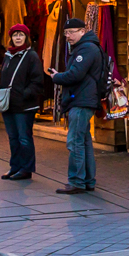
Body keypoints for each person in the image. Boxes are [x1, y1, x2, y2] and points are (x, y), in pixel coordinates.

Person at [49, 17, 105, 194]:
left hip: (82, 101)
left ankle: (77, 181)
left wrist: (57, 77)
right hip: (83, 99)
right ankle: (87, 180)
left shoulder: (86, 49)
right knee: (84, 141)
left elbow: (75, 75)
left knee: (75, 142)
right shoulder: (86, 47)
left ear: (82, 31)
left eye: (71, 32)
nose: (68, 36)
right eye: (65, 33)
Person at [0, 23, 51, 181]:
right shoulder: (8, 55)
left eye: (21, 35)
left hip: (25, 105)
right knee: (13, 137)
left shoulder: (31, 56)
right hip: (9, 104)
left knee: (24, 137)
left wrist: (23, 95)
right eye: (15, 35)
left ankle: (26, 169)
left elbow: (37, 82)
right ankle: (15, 166)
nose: (18, 38)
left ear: (26, 37)